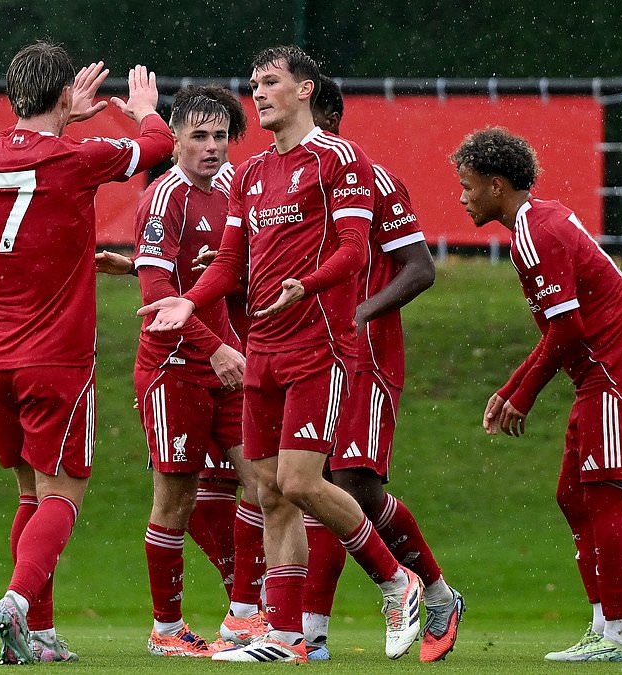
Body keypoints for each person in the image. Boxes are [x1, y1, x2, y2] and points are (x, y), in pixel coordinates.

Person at [140, 46, 423, 663]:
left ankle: (397, 581)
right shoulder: (251, 173)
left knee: (299, 481)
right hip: (261, 350)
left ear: (305, 89)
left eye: (270, 82)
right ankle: (287, 635)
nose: (259, 93)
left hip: (319, 345)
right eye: (254, 84)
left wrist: (308, 285)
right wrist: (190, 300)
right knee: (269, 492)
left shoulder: (340, 159)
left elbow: (354, 250)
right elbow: (229, 261)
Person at [0, 42, 174, 665]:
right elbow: (158, 147)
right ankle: (16, 603)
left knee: (30, 494)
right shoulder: (78, 160)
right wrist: (144, 110)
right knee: (64, 493)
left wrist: (58, 118)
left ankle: (41, 635)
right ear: (63, 96)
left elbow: (29, 153)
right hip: (55, 356)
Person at [452, 127, 622, 663]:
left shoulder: (535, 233)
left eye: (468, 186)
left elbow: (568, 330)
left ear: (497, 185)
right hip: (601, 373)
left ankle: (619, 637)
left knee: (603, 496)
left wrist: (523, 397)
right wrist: (509, 388)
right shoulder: (540, 219)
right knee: (572, 497)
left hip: (616, 370)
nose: (462, 198)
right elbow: (559, 329)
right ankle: (603, 627)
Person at [299, 75, 465, 663]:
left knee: (353, 486)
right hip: (306, 356)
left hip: (365, 357)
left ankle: (435, 593)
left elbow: (421, 267)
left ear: (329, 118)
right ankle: (310, 635)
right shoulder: (287, 185)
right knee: (310, 484)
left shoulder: (374, 180)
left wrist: (362, 312)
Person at [118, 85, 270, 656]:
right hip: (173, 369)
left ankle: (243, 617)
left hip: (225, 365)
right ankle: (166, 629)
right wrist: (216, 349)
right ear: (176, 139)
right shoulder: (164, 199)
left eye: (220, 136)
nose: (211, 147)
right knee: (175, 501)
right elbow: (156, 297)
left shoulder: (234, 188)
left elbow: (235, 270)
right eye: (199, 136)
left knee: (265, 481)